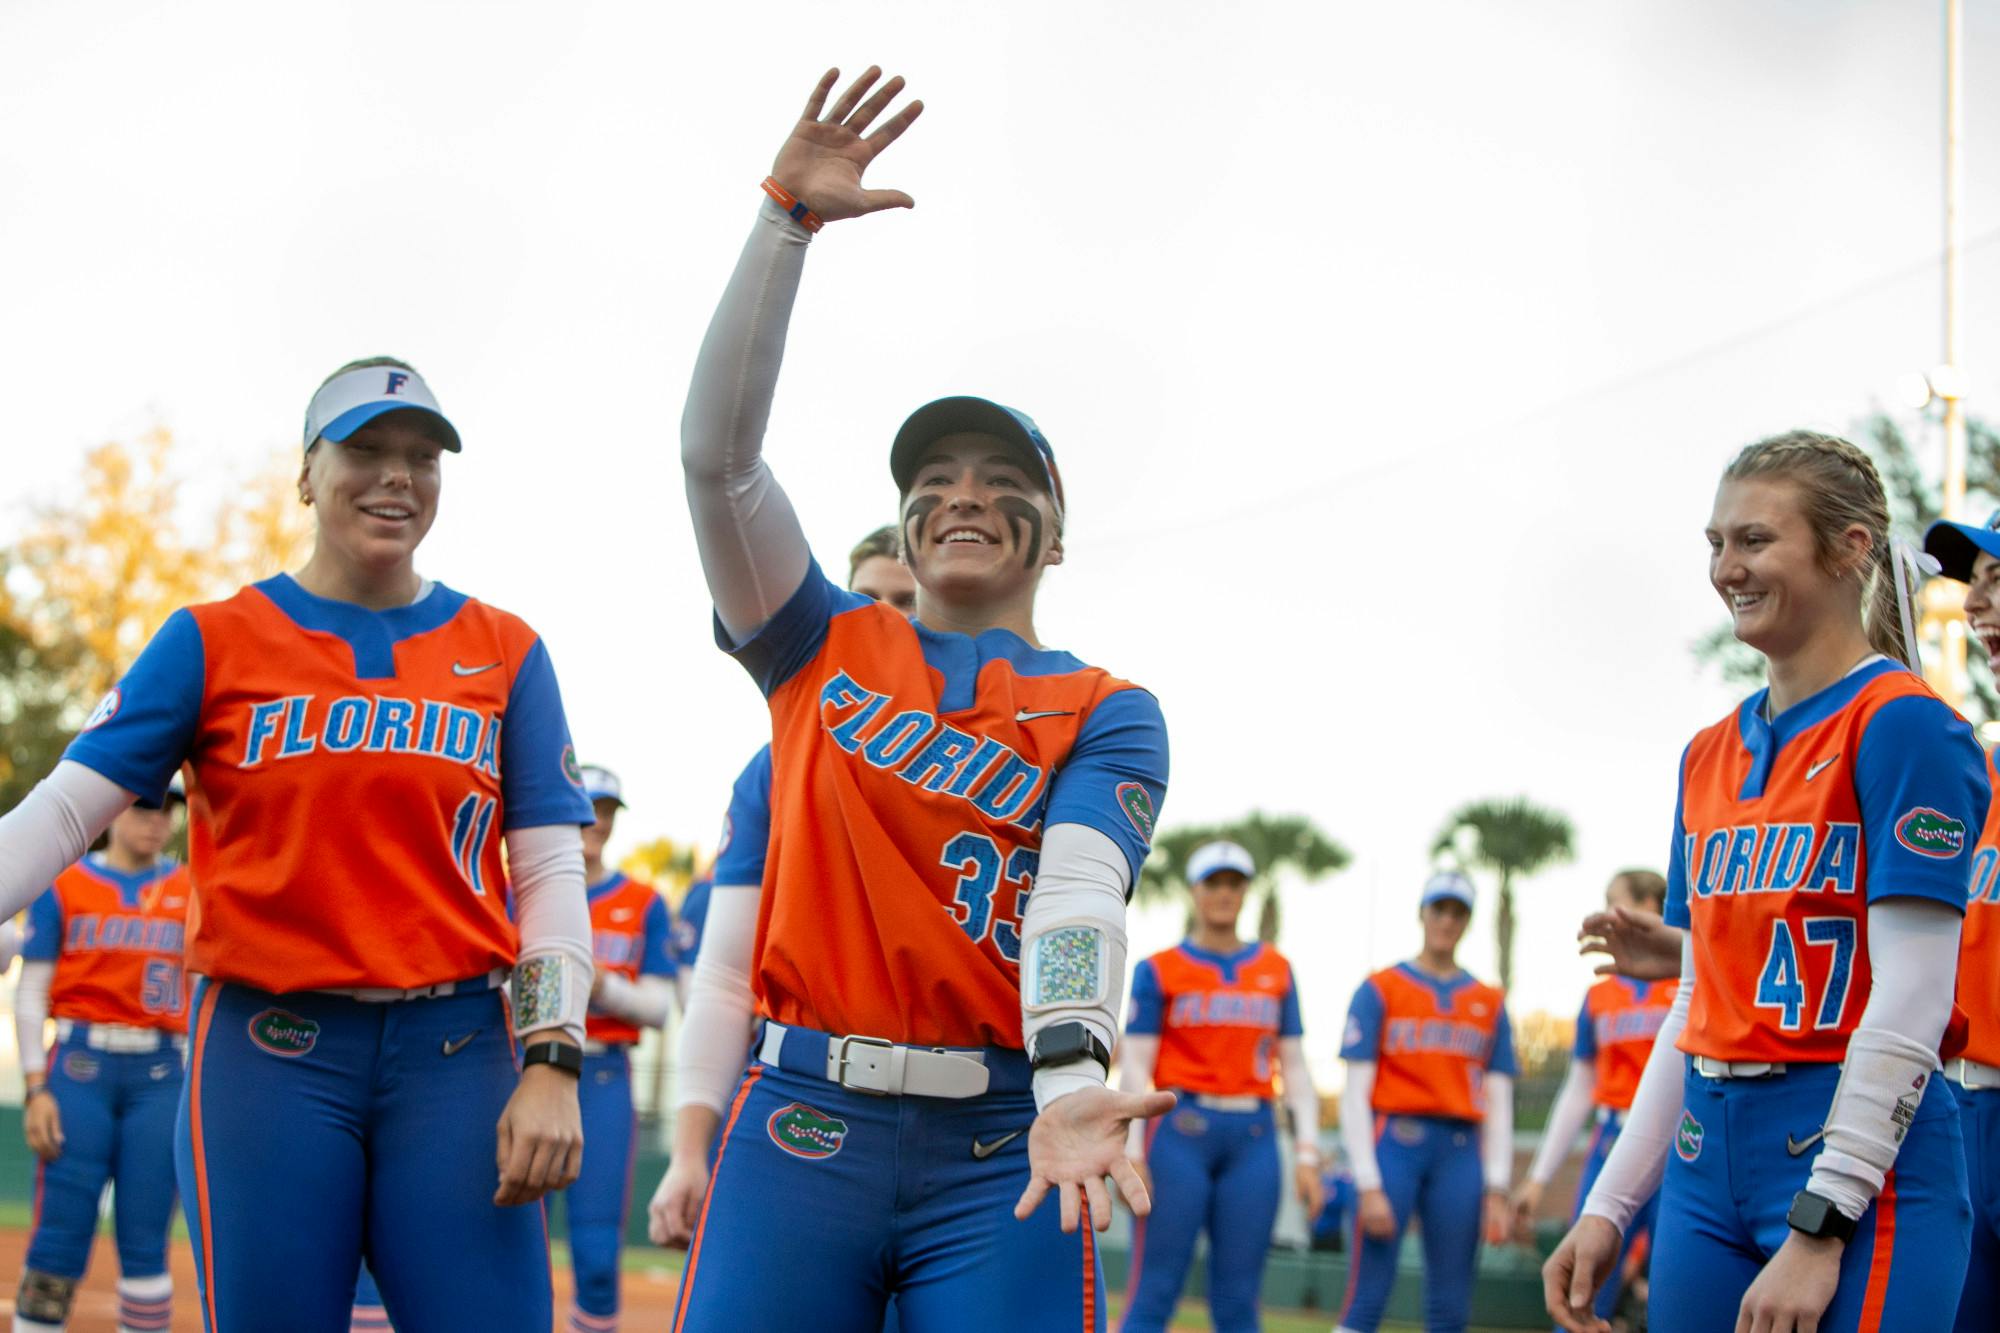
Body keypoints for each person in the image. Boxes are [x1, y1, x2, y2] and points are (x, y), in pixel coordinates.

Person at [658, 66, 1173, 1331]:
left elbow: (1075, 898)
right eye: (932, 473)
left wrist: (1065, 1077)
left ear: (1053, 534)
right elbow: (714, 459)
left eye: (1001, 476)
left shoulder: (1106, 705)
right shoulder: (818, 641)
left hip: (1003, 1132)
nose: (959, 491)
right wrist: (784, 218)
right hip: (801, 1124)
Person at [0, 357, 598, 1332]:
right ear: (307, 472)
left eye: (421, 458)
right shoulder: (214, 639)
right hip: (269, 1052)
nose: (396, 477)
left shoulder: (507, 649)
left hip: (456, 1056)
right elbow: (64, 814)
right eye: (365, 449)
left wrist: (552, 1059)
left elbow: (546, 874)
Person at [1545, 430, 1987, 1333]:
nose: (1727, 568)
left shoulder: (1905, 725)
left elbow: (1911, 994)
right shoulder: (1707, 751)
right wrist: (1608, 1203)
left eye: (1754, 540)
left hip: (1862, 1157)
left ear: (1850, 547)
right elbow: (1696, 1000)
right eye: (1715, 543)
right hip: (1709, 1158)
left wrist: (1822, 1223)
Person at [1115, 839, 1323, 1333]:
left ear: (1246, 891)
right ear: (1194, 891)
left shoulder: (1276, 970)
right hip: (1178, 1131)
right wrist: (1131, 1148)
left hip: (1253, 1133)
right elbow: (1135, 1066)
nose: (1224, 893)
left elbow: (1294, 1068)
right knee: (1156, 1288)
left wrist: (1309, 1154)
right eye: (1214, 882)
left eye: (1234, 883)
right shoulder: (1160, 969)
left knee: (1239, 1298)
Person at [12, 778, 190, 1333]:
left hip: (162, 1072)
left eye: (167, 809)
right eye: (143, 805)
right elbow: (31, 991)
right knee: (60, 1231)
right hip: (80, 1066)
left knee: (146, 1238)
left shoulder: (196, 888)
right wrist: (36, 1087)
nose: (155, 819)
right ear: (115, 810)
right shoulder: (64, 882)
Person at [1336, 870, 1517, 1333]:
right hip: (1394, 1141)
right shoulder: (1380, 988)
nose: (1447, 920)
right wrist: (1368, 1181)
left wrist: (1497, 1186)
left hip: (1460, 1152)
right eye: (1439, 909)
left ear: (1468, 921)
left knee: (1451, 1307)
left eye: (1458, 912)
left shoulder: (1488, 1001)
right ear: (1423, 912)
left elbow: (1500, 1099)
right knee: (1367, 1295)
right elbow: (1354, 1093)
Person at [1512, 870, 1674, 1327]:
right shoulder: (1600, 995)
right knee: (1582, 1282)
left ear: (1647, 903)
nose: (1605, 911)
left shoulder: (1686, 979)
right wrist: (1540, 1177)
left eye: (1613, 900)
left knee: (1674, 1288)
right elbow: (1578, 1090)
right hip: (1611, 1136)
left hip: (1680, 1139)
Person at [553, 764, 677, 1333]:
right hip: (517, 1069)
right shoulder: (522, 891)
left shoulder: (642, 901)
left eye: (607, 810)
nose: (597, 821)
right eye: (589, 806)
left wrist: (600, 984)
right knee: (508, 1243)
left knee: (599, 1255)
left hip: (602, 1074)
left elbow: (657, 1007)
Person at [1922, 507, 2000, 1330]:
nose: (1975, 607)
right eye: (1973, 586)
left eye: (1997, 581)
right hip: (1957, 1111)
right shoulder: (1968, 774)